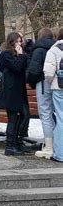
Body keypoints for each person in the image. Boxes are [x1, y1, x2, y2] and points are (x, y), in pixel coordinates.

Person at [0, 32, 30, 156]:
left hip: (19, 89)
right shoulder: (6, 54)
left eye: (20, 41)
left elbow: (24, 66)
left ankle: (17, 141)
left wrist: (23, 54)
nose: (19, 44)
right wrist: (21, 56)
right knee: (13, 117)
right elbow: (16, 67)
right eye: (16, 41)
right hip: (11, 90)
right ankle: (10, 145)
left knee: (24, 114)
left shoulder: (19, 54)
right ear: (11, 42)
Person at [27, 28, 56, 158]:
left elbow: (34, 69)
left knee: (45, 113)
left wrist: (32, 81)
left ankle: (49, 145)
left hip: (43, 82)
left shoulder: (39, 50)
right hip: (57, 84)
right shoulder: (57, 48)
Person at [43, 28, 63, 162]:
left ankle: (60, 153)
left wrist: (52, 81)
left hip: (59, 88)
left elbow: (49, 72)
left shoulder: (55, 49)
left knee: (61, 119)